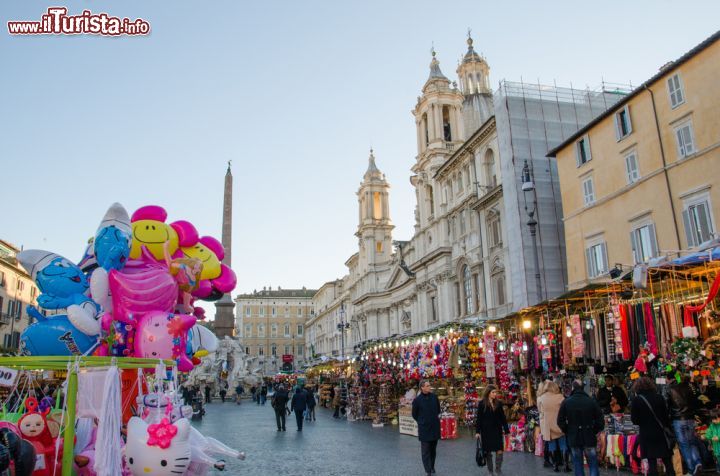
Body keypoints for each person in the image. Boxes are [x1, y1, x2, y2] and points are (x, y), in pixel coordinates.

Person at [630, 376, 676, 476]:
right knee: (667, 461)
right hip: (661, 433)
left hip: (647, 434)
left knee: (652, 462)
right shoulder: (659, 397)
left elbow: (634, 420)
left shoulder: (637, 400)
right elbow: (665, 416)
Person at [557, 380, 604, 476]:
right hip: (589, 435)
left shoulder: (566, 402)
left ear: (573, 388)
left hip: (574, 436)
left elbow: (560, 421)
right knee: (593, 464)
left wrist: (568, 430)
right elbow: (600, 420)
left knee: (578, 464)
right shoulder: (591, 401)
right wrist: (593, 430)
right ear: (583, 388)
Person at [667, 375, 702, 475]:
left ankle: (691, 469)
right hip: (690, 418)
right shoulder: (691, 388)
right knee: (692, 442)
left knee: (684, 445)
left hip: (678, 420)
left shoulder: (671, 390)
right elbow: (696, 403)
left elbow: (668, 406)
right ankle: (698, 462)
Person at [475, 384, 509, 475]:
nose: (495, 394)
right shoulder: (482, 404)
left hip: (497, 430)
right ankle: (490, 471)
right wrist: (477, 432)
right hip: (486, 431)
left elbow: (503, 418)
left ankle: (498, 469)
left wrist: (506, 430)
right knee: (488, 451)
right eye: (493, 392)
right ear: (488, 393)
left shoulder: (499, 403)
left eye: (496, 392)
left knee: (499, 450)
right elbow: (479, 419)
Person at [538, 381, 570, 472]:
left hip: (548, 425)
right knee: (563, 444)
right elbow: (565, 410)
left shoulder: (541, 398)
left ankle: (555, 465)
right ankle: (566, 465)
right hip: (560, 424)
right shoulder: (560, 397)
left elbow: (540, 412)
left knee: (552, 445)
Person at [412, 380, 441, 476]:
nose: (429, 387)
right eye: (427, 386)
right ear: (422, 388)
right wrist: (422, 421)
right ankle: (428, 470)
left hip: (434, 427)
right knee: (425, 451)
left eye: (429, 385)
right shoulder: (417, 400)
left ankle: (432, 466)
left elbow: (438, 410)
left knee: (433, 450)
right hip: (424, 429)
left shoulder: (434, 397)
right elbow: (414, 414)